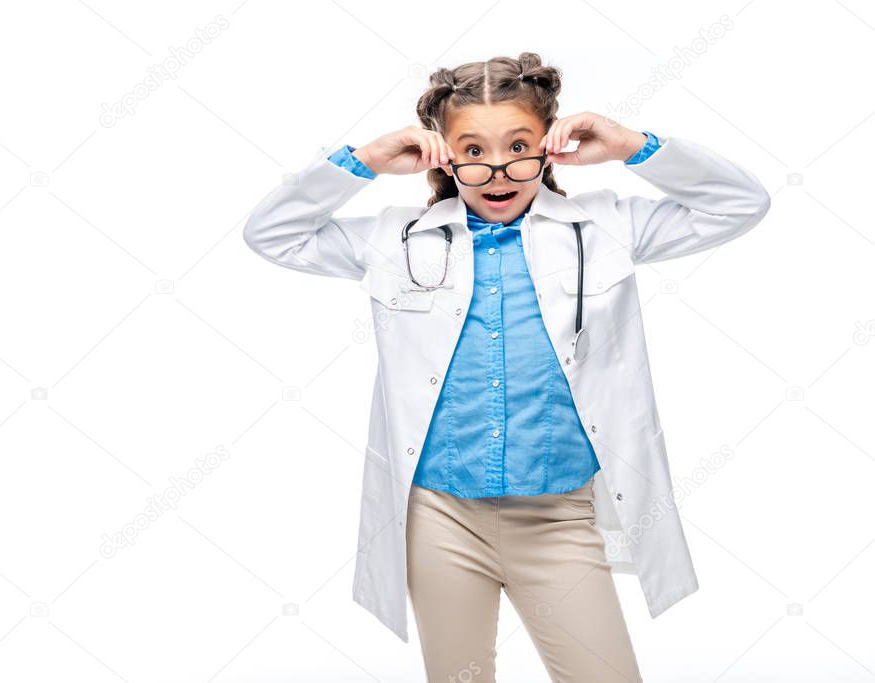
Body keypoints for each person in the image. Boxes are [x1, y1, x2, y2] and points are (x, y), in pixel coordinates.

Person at [242, 52, 770, 682]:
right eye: (472, 150)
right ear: (443, 154)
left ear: (550, 148)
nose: (498, 170)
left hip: (558, 518)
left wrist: (633, 146)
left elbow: (740, 204)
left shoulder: (604, 227)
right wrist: (363, 161)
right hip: (438, 519)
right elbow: (272, 234)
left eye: (519, 145)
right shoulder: (397, 236)